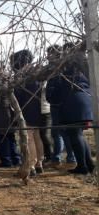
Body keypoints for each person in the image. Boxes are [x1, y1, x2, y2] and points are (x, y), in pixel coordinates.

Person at [47, 43, 95, 175]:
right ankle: (89, 164)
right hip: (84, 101)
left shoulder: (62, 69)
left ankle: (82, 166)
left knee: (75, 135)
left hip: (71, 104)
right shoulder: (80, 67)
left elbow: (53, 92)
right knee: (79, 135)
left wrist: (53, 98)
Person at [11, 49, 44, 175]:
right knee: (36, 135)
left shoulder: (23, 75)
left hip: (27, 108)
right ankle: (39, 163)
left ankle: (30, 166)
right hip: (37, 108)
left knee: (28, 137)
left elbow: (19, 94)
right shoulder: (37, 71)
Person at [44, 45, 76, 167]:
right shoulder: (54, 68)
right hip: (55, 104)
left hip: (60, 105)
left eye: (49, 54)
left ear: (56, 54)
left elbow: (58, 87)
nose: (47, 56)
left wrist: (51, 96)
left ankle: (70, 159)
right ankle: (57, 158)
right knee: (56, 133)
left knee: (63, 132)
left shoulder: (61, 68)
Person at [0, 61, 21, 167]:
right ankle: (16, 160)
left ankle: (6, 161)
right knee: (11, 137)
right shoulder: (10, 79)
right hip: (11, 111)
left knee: (2, 137)